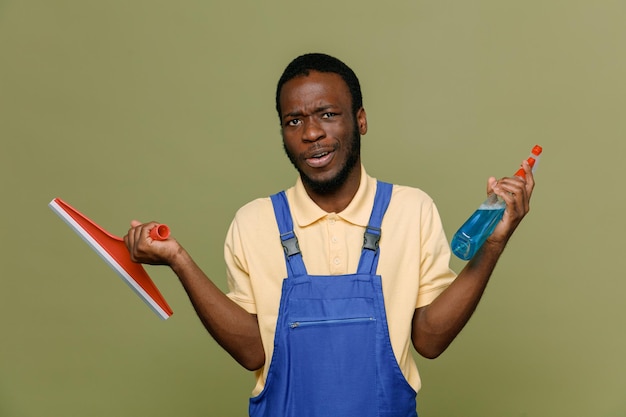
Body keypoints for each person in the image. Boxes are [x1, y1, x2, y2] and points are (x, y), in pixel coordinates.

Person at [124, 53, 536, 417]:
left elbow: (429, 339)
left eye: (327, 114)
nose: (311, 133)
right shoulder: (253, 222)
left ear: (360, 119)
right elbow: (253, 351)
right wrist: (178, 259)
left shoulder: (411, 210)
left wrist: (493, 244)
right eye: (294, 120)